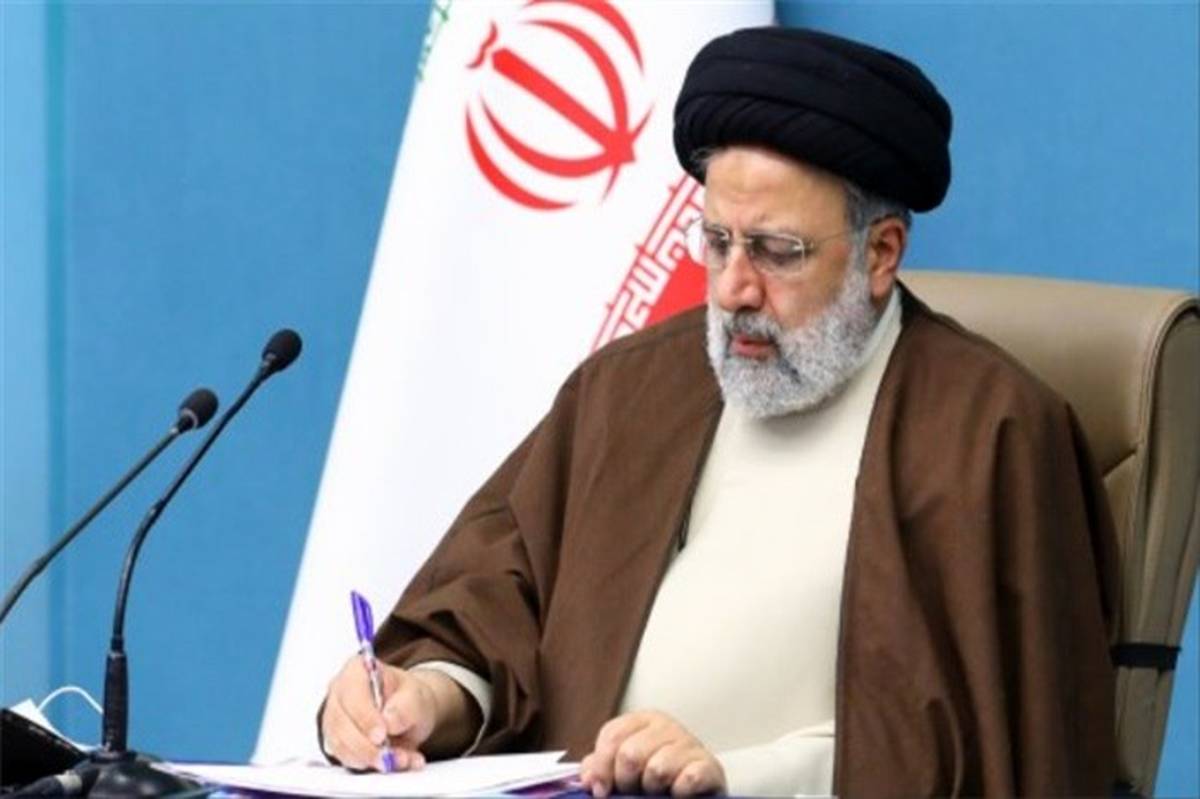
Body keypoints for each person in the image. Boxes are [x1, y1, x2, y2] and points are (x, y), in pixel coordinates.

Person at [319, 26, 1118, 797]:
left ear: (880, 254)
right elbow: (498, 600)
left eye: (776, 251)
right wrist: (428, 694)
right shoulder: (631, 388)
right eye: (717, 243)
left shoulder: (994, 432)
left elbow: (1004, 748)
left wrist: (737, 775)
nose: (734, 288)